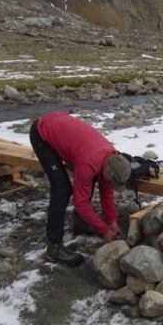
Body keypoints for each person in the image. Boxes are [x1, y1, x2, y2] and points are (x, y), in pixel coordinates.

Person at [29, 111, 131, 266]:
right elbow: (80, 203)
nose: (112, 185)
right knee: (62, 189)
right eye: (113, 181)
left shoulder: (111, 158)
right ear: (106, 170)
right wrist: (104, 230)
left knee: (88, 180)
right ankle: (54, 246)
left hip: (64, 130)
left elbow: (106, 190)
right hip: (43, 133)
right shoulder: (89, 164)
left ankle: (80, 223)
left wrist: (112, 221)